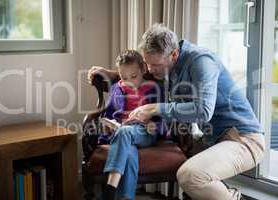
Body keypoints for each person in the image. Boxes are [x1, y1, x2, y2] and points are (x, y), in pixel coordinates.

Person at [88, 24, 265, 200]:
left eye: (155, 65)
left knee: (189, 176)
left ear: (174, 54)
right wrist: (111, 74)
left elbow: (203, 111)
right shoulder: (168, 66)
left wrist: (154, 108)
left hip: (243, 139)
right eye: (147, 64)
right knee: (189, 180)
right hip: (213, 140)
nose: (150, 69)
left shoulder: (202, 61)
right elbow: (138, 74)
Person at [98, 50, 167, 200]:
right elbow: (108, 115)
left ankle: (109, 191)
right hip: (122, 131)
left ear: (143, 69)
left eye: (134, 76)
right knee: (128, 151)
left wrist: (154, 125)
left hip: (145, 131)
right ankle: (126, 197)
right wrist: (108, 126)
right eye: (124, 77)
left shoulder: (155, 88)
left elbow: (164, 116)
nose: (129, 81)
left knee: (125, 132)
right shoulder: (117, 88)